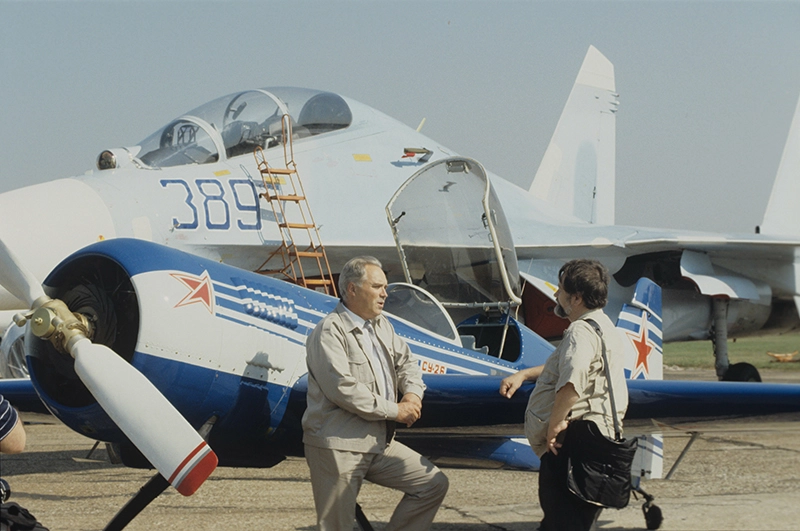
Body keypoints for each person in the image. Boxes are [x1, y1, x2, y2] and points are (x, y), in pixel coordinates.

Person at [302, 256, 449, 531]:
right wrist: (397, 411)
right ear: (352, 290)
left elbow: (407, 363)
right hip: (339, 444)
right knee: (337, 526)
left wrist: (412, 396)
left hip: (378, 441)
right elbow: (342, 389)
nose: (385, 294)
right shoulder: (329, 331)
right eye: (377, 286)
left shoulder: (382, 325)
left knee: (432, 484)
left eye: (385, 287)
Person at [499, 259, 627, 531]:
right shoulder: (603, 326)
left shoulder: (580, 331)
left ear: (576, 298)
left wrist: (554, 427)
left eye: (560, 289)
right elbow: (564, 364)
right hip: (597, 443)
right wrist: (523, 374)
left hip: (572, 444)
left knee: (560, 523)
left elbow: (571, 382)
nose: (556, 294)